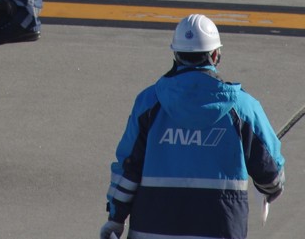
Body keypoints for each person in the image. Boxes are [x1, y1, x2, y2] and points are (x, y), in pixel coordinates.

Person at [101, 14, 285, 239]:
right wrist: (270, 190)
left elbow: (127, 170)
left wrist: (116, 218)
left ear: (176, 54)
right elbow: (271, 175)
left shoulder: (149, 103)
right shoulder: (242, 108)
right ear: (216, 54)